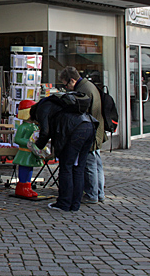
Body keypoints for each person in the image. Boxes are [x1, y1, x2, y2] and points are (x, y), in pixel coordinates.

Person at [30, 91, 97, 211]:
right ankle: (75, 204)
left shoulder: (42, 109)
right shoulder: (55, 102)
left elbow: (45, 131)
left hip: (75, 131)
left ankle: (64, 203)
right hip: (89, 125)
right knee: (78, 168)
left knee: (66, 167)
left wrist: (37, 147)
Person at [59, 66, 107, 204]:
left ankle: (93, 194)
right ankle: (99, 193)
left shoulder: (83, 91)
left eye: (66, 85)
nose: (67, 88)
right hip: (95, 129)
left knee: (89, 164)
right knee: (97, 163)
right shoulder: (89, 86)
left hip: (89, 130)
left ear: (72, 80)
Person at [12, 100, 42, 198]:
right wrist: (28, 142)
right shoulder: (23, 127)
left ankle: (27, 186)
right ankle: (22, 186)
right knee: (24, 168)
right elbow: (17, 139)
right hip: (25, 152)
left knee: (30, 169)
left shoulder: (33, 125)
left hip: (31, 151)